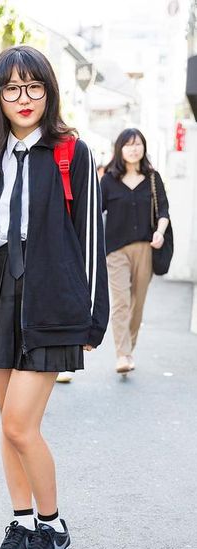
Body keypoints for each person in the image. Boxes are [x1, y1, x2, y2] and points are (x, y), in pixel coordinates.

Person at [0, 45, 109, 549]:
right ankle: (22, 522)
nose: (24, 98)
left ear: (49, 91)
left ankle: (54, 525)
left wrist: (94, 315)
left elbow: (89, 235)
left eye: (34, 87)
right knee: (7, 423)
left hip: (50, 298)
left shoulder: (71, 153)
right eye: (12, 89)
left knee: (21, 424)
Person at [100, 128, 169, 374]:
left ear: (143, 147)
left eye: (137, 144)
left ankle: (129, 349)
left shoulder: (152, 177)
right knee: (120, 302)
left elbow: (163, 211)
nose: (133, 148)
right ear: (120, 149)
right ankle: (122, 354)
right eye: (128, 144)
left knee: (136, 304)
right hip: (115, 251)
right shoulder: (108, 180)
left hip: (145, 248)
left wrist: (160, 231)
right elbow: (96, 213)